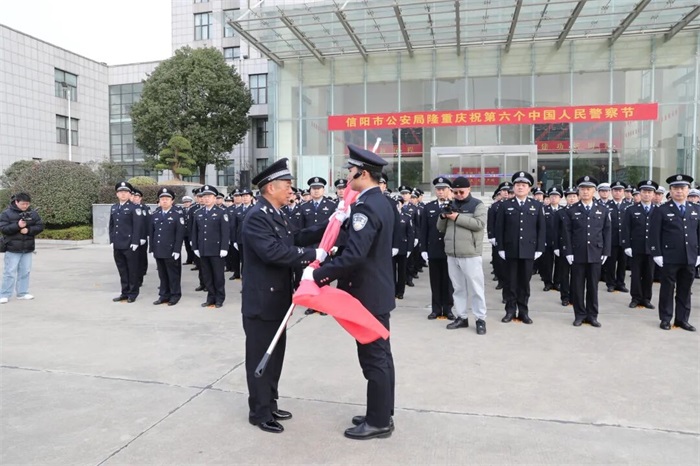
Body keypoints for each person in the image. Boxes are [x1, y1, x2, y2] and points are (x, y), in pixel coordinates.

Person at [309, 144, 396, 440]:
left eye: (351, 170)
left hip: (368, 294)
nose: (348, 175)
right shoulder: (380, 201)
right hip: (377, 290)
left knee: (374, 359)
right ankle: (382, 411)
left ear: (363, 173)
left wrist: (317, 276)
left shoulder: (366, 207)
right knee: (381, 355)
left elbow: (354, 256)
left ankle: (378, 422)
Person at [240, 158, 326, 434]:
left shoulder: (276, 213)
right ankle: (259, 412)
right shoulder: (257, 216)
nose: (291, 189)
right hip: (262, 301)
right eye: (287, 185)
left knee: (275, 356)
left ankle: (270, 402)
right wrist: (313, 254)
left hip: (278, 299)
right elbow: (273, 252)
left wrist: (330, 225)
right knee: (261, 357)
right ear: (270, 188)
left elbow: (295, 237)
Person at [437, 176, 488, 334]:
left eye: (461, 192)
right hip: (452, 254)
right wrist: (443, 216)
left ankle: (480, 319)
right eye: (455, 192)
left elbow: (479, 224)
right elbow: (440, 228)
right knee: (458, 288)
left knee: (476, 288)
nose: (458, 195)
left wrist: (457, 217)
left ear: (469, 189)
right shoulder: (450, 204)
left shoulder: (477, 205)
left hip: (470, 253)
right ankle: (462, 317)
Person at [649, 174, 699, 331]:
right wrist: (656, 253)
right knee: (667, 289)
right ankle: (665, 319)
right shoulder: (662, 210)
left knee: (685, 290)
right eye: (675, 188)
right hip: (669, 257)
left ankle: (682, 319)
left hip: (689, 257)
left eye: (682, 188)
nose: (679, 191)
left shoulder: (695, 209)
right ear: (670, 191)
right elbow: (654, 233)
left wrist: (699, 254)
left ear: (688, 190)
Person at [494, 171, 545, 324]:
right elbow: (499, 228)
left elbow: (541, 229)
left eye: (523, 185)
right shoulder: (505, 205)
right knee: (510, 282)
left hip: (528, 250)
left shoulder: (536, 205)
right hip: (510, 250)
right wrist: (500, 248)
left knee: (524, 283)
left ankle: (523, 312)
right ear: (513, 188)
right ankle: (510, 311)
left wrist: (539, 248)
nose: (520, 187)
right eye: (517, 185)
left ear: (529, 188)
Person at [561, 176, 611, 327]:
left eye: (588, 189)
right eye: (582, 189)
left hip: (596, 253)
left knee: (593, 287)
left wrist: (606, 251)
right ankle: (579, 315)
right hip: (578, 253)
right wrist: (568, 252)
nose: (585, 191)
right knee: (577, 286)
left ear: (594, 191)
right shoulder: (572, 210)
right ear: (578, 191)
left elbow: (607, 232)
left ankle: (592, 315)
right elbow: (567, 232)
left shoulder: (603, 209)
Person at [421, 177, 455, 319]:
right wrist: (423, 249)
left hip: (449, 249)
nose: (440, 192)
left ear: (449, 190)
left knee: (448, 282)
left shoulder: (454, 206)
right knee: (435, 281)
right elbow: (424, 229)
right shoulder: (429, 207)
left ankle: (448, 309)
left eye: (443, 189)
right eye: (438, 189)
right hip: (434, 249)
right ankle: (436, 309)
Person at [0, 192, 44, 303]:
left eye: (27, 204)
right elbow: (3, 229)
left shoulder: (33, 213)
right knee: (10, 272)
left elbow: (40, 226)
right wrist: (17, 226)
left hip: (28, 247)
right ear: (16, 202)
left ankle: (22, 293)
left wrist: (28, 230)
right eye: (23, 204)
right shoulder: (6, 213)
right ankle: (4, 294)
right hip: (12, 248)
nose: (25, 206)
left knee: (25, 271)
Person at [191, 185, 230, 308]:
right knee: (207, 275)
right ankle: (210, 297)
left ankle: (219, 298)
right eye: (204, 196)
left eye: (209, 196)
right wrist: (195, 247)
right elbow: (195, 232)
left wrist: (224, 248)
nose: (206, 199)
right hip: (203, 249)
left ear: (214, 198)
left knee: (218, 276)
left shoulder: (221, 212)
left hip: (216, 250)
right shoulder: (198, 213)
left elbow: (225, 232)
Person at [622, 180, 658, 309]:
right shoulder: (631, 210)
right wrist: (626, 245)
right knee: (636, 274)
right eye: (644, 192)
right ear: (640, 193)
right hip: (636, 248)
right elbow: (626, 229)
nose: (647, 194)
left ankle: (646, 299)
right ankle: (635, 298)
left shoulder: (658, 210)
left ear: (653, 194)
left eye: (649, 192)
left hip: (652, 249)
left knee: (649, 275)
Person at [108, 182, 144, 303]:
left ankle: (133, 293)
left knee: (132, 270)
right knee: (122, 270)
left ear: (129, 194)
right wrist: (112, 240)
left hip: (129, 244)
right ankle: (124, 292)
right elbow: (111, 225)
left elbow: (137, 226)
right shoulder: (114, 207)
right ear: (117, 194)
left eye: (125, 192)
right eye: (120, 192)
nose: (123, 194)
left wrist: (135, 242)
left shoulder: (134, 208)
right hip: (118, 244)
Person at [150, 188, 185, 306]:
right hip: (159, 249)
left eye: (167, 199)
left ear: (172, 201)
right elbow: (152, 232)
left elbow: (180, 234)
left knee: (173, 274)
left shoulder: (177, 215)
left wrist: (177, 250)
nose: (164, 201)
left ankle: (175, 295)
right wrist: (152, 248)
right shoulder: (155, 214)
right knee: (162, 274)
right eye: (162, 199)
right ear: (159, 201)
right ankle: (164, 295)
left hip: (171, 250)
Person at [604, 181, 630, 293]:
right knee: (611, 263)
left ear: (623, 192)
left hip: (624, 240)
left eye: (620, 190)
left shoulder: (628, 206)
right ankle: (610, 283)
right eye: (615, 190)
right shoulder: (606, 206)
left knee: (622, 263)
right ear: (611, 192)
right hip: (612, 240)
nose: (618, 193)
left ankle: (620, 283)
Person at [540, 186, 563, 292]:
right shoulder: (544, 210)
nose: (554, 198)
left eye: (556, 196)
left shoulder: (563, 210)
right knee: (547, 264)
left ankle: (557, 282)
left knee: (559, 263)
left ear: (560, 198)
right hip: (547, 241)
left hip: (560, 241)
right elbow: (541, 227)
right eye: (552, 196)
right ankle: (547, 283)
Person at [181, 195, 195, 265]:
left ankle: (195, 260)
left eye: (188, 202)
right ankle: (189, 259)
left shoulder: (193, 209)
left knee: (193, 246)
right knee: (187, 247)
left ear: (190, 202)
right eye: (185, 202)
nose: (186, 203)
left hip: (191, 231)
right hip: (185, 232)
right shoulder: (182, 210)